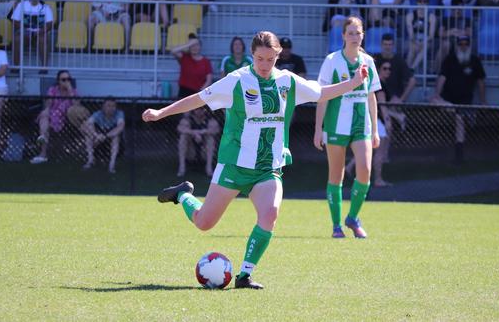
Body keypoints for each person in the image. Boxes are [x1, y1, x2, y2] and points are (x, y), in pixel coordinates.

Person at [141, 30, 369, 289]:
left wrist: (353, 82)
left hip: (268, 167)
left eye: (270, 59)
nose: (264, 65)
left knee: (270, 213)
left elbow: (321, 92)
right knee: (204, 223)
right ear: (252, 55)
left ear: (278, 56)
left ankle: (244, 275)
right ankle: (183, 194)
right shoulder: (237, 81)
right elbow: (198, 99)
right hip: (235, 164)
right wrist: (162, 112)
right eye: (260, 59)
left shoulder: (287, 81)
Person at [313, 16, 381, 239]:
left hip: (361, 125)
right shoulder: (332, 61)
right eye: (350, 33)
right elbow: (322, 97)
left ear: (363, 35)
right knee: (336, 176)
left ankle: (353, 218)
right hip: (335, 125)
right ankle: (336, 226)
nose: (354, 37)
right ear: (343, 36)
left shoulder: (368, 62)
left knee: (364, 171)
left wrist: (375, 130)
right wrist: (318, 129)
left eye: (357, 32)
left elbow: (371, 97)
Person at [430, 35, 487, 164]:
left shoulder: (474, 60)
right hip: (447, 98)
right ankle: (455, 109)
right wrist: (437, 94)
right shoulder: (449, 59)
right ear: (457, 45)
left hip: (465, 99)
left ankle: (459, 154)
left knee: (459, 119)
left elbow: (481, 81)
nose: (463, 46)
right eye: (460, 44)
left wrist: (483, 100)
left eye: (465, 43)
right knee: (433, 101)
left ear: (469, 45)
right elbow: (442, 77)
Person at [372, 33, 416, 163]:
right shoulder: (374, 60)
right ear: (381, 45)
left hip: (392, 100)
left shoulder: (398, 60)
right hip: (377, 99)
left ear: (393, 46)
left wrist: (401, 99)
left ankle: (384, 155)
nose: (387, 47)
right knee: (386, 121)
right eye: (385, 44)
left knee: (388, 125)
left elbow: (413, 81)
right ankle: (380, 156)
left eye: (390, 45)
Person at [30, 70, 79, 164]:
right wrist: (46, 111)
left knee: (47, 119)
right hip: (53, 114)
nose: (66, 82)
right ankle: (43, 153)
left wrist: (70, 91)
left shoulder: (73, 91)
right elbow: (48, 105)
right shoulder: (53, 90)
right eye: (63, 79)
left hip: (68, 117)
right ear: (58, 81)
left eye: (68, 79)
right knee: (43, 121)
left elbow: (77, 106)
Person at [11, 0, 54, 69]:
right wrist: (25, 31)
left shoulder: (46, 7)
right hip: (24, 32)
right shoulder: (21, 5)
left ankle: (44, 67)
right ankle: (16, 67)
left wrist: (40, 32)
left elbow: (49, 24)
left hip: (40, 33)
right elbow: (15, 21)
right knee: (17, 38)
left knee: (43, 38)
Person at [83, 97, 125, 173]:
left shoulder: (119, 113)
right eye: (108, 105)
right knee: (87, 135)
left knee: (116, 137)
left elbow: (120, 126)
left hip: (111, 136)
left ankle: (111, 165)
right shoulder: (98, 114)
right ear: (103, 107)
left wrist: (105, 136)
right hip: (98, 136)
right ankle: (90, 160)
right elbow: (88, 124)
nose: (111, 108)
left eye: (113, 106)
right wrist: (96, 135)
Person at [176, 107, 220, 177]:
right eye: (197, 109)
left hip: (204, 153)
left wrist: (202, 132)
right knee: (183, 137)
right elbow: (180, 129)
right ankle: (182, 167)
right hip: (191, 152)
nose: (199, 111)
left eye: (201, 109)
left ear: (205, 110)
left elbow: (216, 130)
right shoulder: (188, 120)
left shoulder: (210, 120)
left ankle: (208, 168)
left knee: (210, 138)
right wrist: (194, 133)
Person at [434, 0, 472, 73]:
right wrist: (451, 32)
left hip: (461, 41)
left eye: (460, 8)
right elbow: (440, 33)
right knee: (446, 45)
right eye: (456, 8)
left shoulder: (467, 19)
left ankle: (459, 73)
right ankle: (436, 71)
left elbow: (469, 33)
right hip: (448, 41)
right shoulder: (445, 19)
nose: (458, 10)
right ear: (452, 8)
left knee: (461, 45)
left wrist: (458, 32)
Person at [171, 33, 213, 98]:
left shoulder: (206, 62)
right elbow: (173, 51)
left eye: (197, 45)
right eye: (192, 46)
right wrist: (188, 44)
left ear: (200, 46)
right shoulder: (184, 58)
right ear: (189, 47)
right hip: (184, 92)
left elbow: (209, 80)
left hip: (198, 92)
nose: (195, 48)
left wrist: (200, 93)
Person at [405, 0, 437, 70]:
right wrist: (415, 42)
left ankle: (411, 69)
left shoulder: (432, 17)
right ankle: (406, 70)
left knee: (425, 46)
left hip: (427, 40)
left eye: (424, 1)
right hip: (413, 39)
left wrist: (423, 42)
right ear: (417, 2)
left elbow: (431, 35)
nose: (422, 3)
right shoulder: (410, 16)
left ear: (428, 3)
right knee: (412, 48)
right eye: (420, 1)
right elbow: (411, 34)